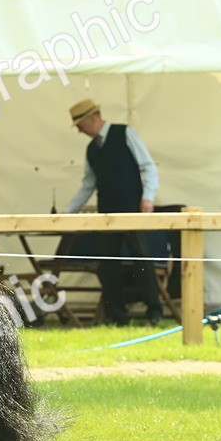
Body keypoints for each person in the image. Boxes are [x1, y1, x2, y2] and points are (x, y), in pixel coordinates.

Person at [63, 99, 164, 326]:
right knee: (108, 264)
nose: (80, 131)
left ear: (93, 118)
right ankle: (117, 315)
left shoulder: (125, 133)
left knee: (142, 259)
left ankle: (154, 311)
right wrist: (68, 211)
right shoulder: (91, 149)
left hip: (132, 210)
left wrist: (148, 197)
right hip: (106, 213)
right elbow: (88, 184)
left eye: (80, 125)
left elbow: (147, 166)